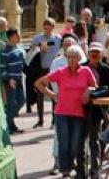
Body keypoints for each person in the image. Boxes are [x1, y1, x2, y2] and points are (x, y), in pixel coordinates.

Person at [35, 44, 98, 179]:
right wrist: (52, 95)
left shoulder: (86, 71)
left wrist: (88, 90)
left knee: (75, 144)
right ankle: (65, 170)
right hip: (62, 112)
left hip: (79, 113)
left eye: (74, 57)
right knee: (64, 143)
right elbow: (39, 83)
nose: (71, 60)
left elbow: (95, 86)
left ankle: (73, 166)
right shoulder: (61, 72)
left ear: (79, 58)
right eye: (68, 57)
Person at [83, 42, 109, 179]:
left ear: (101, 54)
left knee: (99, 139)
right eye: (92, 52)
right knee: (86, 140)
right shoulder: (82, 68)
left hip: (102, 109)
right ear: (88, 54)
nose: (94, 55)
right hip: (84, 109)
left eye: (97, 52)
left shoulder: (106, 69)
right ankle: (85, 170)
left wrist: (94, 93)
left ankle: (95, 171)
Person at [30, 18, 62, 128]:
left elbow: (62, 50)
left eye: (50, 28)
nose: (47, 30)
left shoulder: (58, 38)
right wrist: (39, 48)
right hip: (41, 69)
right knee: (40, 95)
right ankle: (40, 120)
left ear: (53, 27)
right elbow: (30, 52)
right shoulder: (38, 38)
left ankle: (54, 120)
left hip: (53, 70)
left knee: (54, 94)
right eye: (46, 28)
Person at [2, 29, 26, 132]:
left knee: (21, 100)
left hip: (19, 79)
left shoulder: (20, 49)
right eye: (17, 35)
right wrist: (9, 79)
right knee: (11, 104)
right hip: (10, 81)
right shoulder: (5, 51)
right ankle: (6, 127)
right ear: (11, 37)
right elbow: (2, 68)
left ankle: (9, 122)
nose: (19, 37)